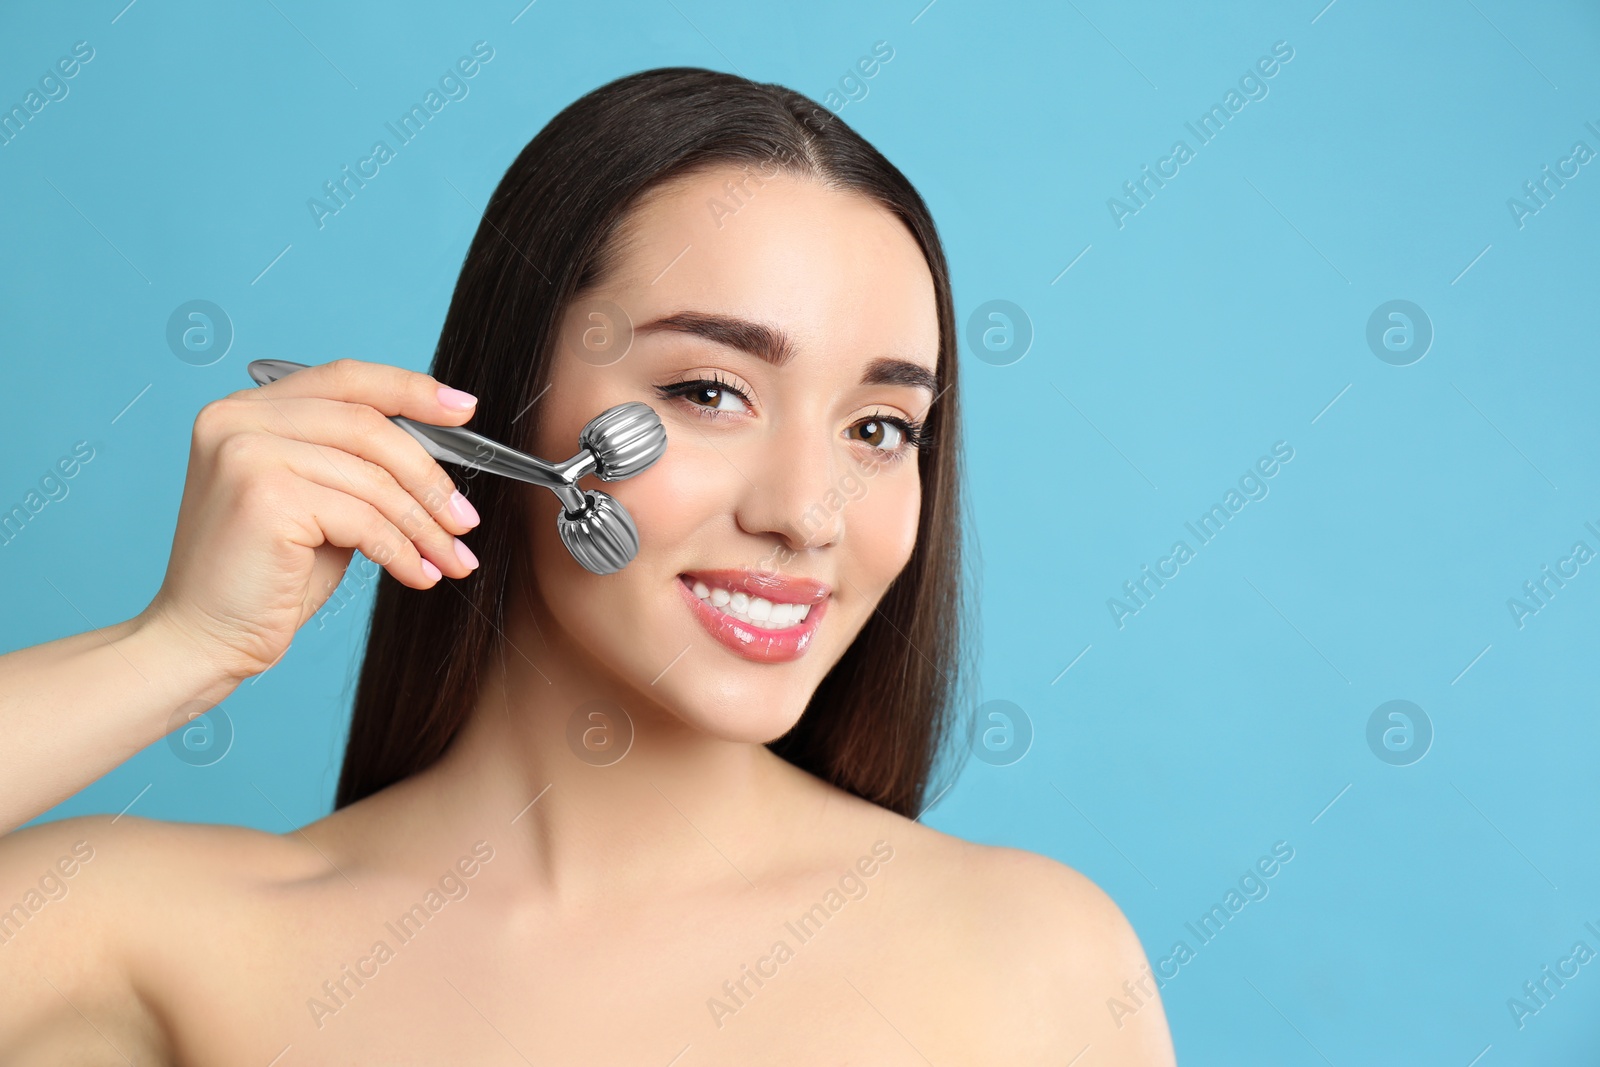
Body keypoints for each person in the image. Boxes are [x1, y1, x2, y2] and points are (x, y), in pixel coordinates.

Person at [0, 67, 1175, 1064]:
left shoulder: (1032, 957)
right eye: (709, 391)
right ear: (514, 406)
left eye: (879, 428)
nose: (806, 515)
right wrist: (177, 651)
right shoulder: (158, 937)